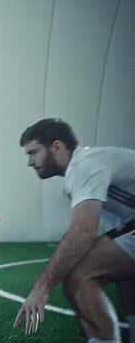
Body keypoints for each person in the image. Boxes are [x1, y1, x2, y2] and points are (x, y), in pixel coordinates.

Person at [14, 118, 135, 343]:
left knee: (78, 273)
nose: (30, 162)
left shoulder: (84, 166)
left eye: (33, 152)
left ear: (57, 147)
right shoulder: (87, 165)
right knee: (122, 271)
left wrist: (41, 288)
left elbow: (82, 233)